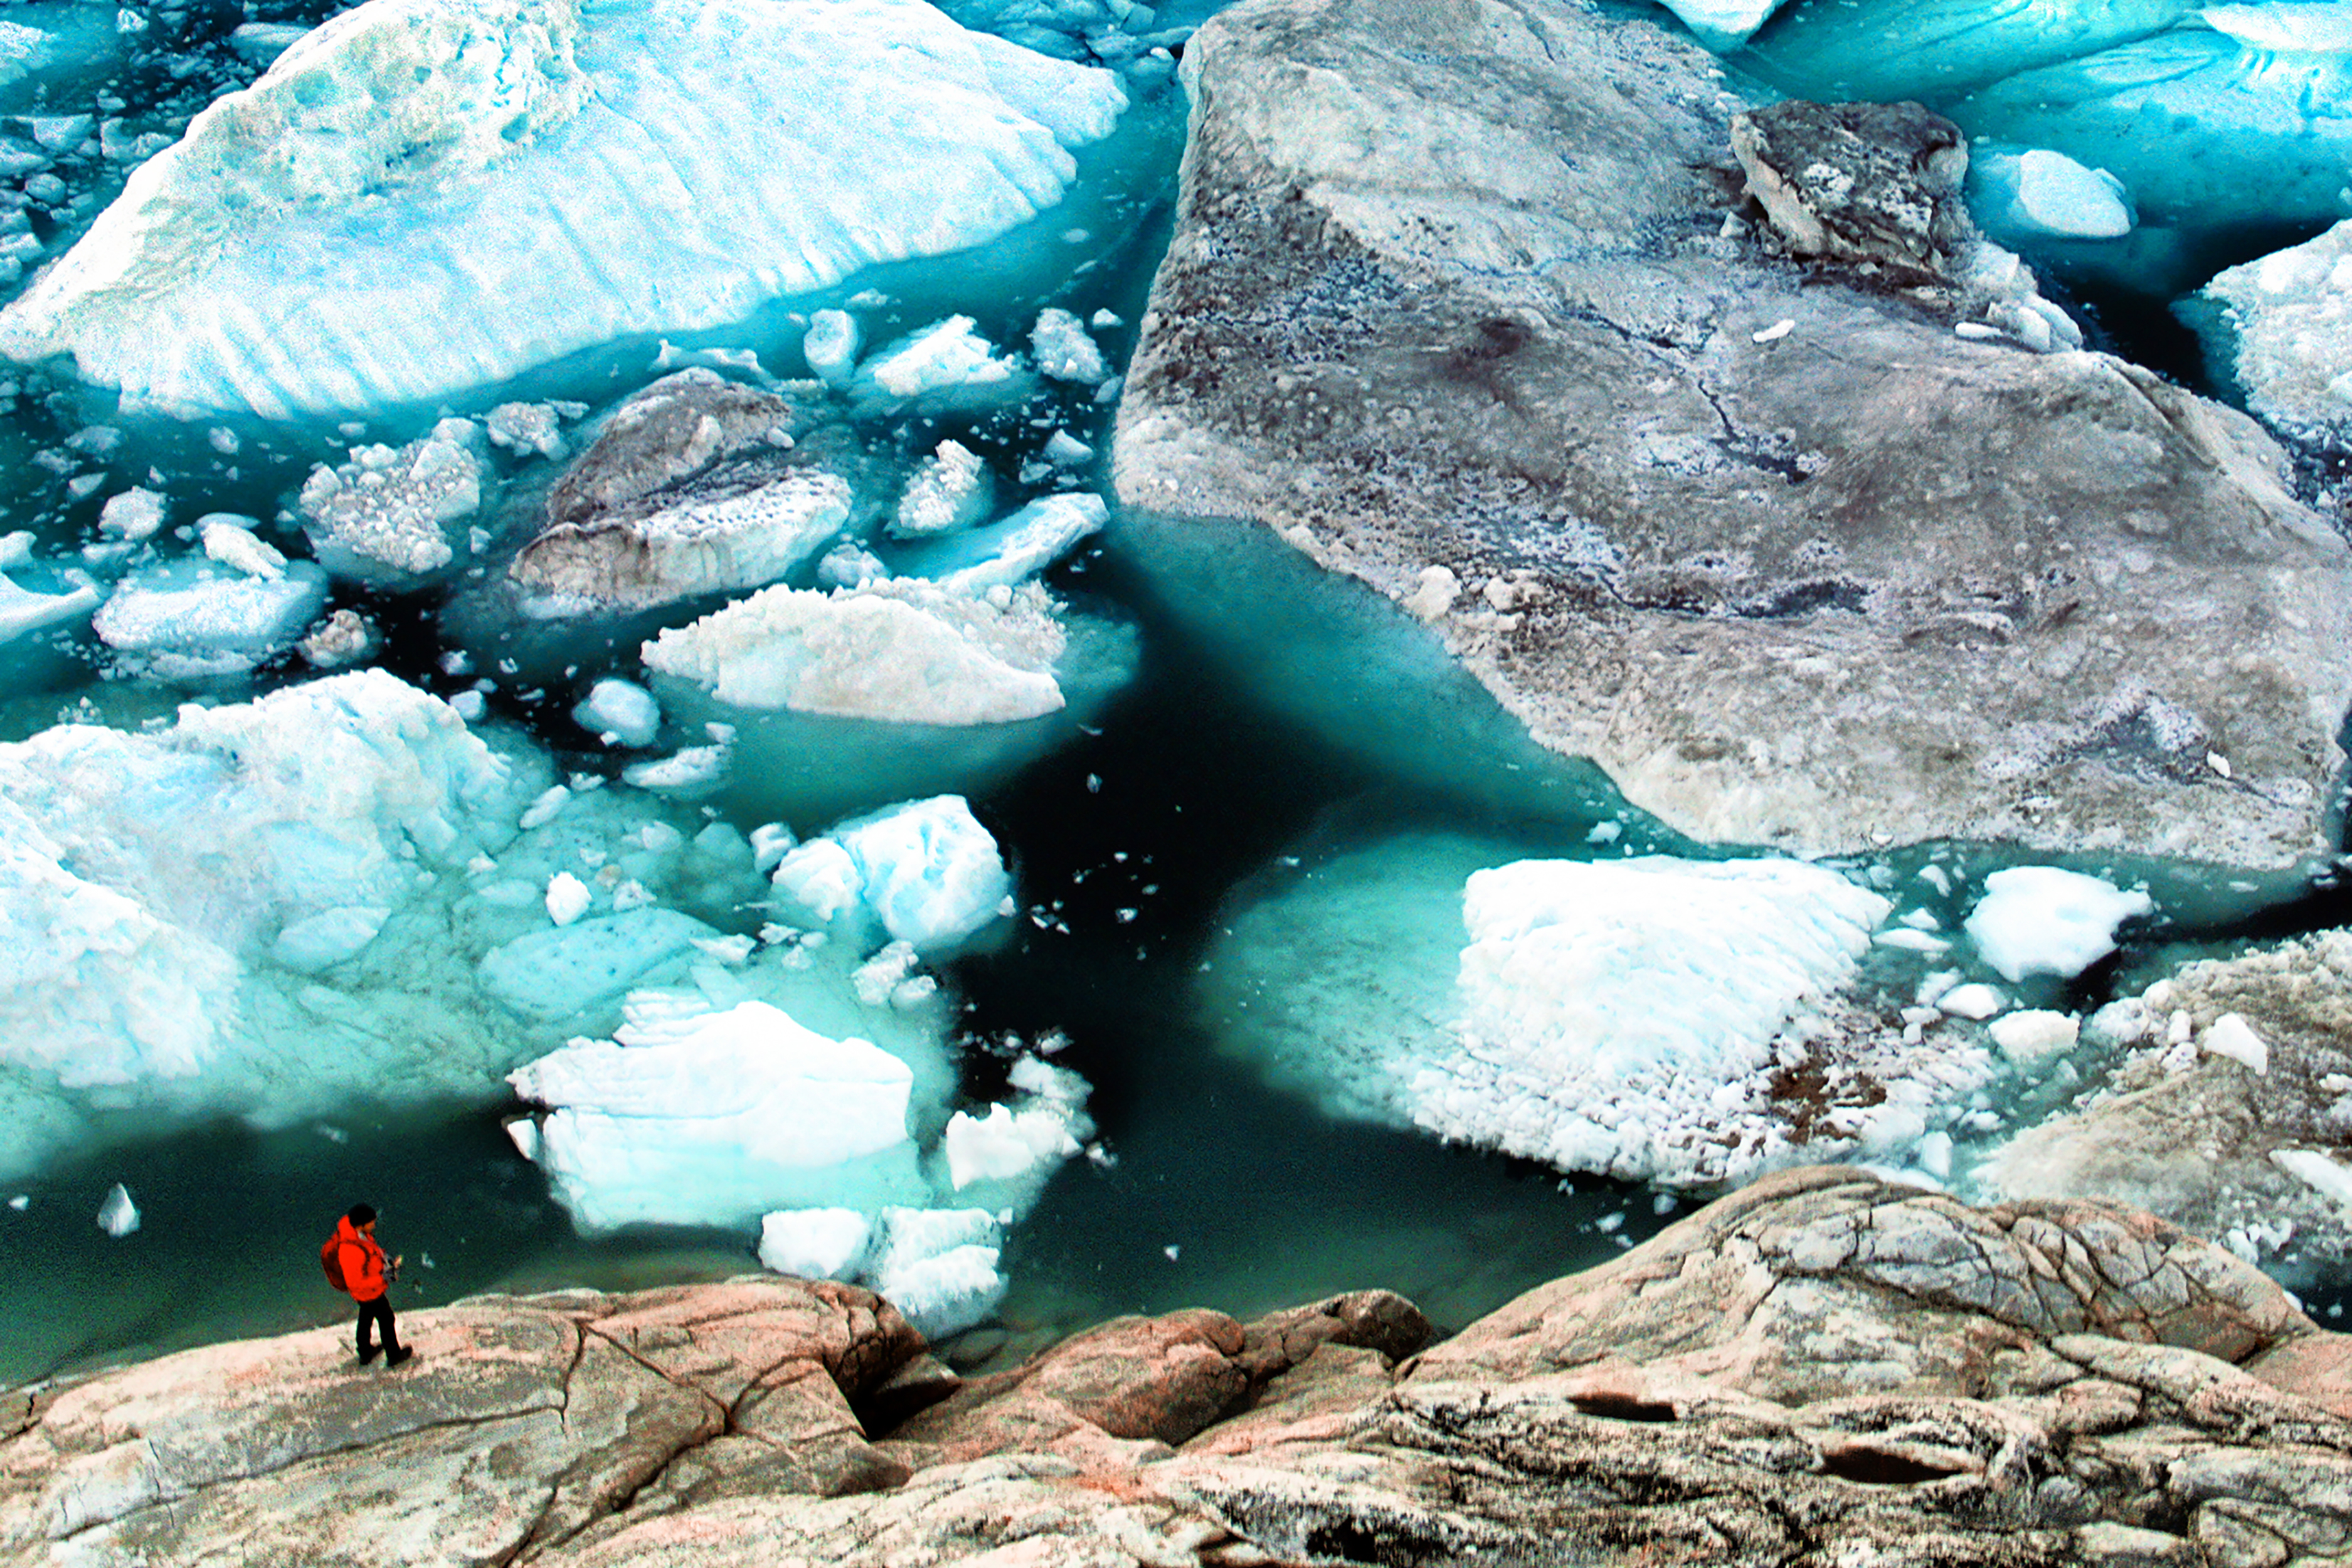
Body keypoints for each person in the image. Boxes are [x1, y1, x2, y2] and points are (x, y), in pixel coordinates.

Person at [332, 1203, 413, 1368]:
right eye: (371, 1222)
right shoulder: (351, 1250)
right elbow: (356, 1282)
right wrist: (383, 1278)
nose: (374, 1225)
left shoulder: (358, 1235)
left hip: (367, 1292)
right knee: (386, 1319)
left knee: (366, 1318)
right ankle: (394, 1355)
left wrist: (386, 1260)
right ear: (361, 1224)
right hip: (369, 1292)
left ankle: (365, 1351)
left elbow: (371, 1252)